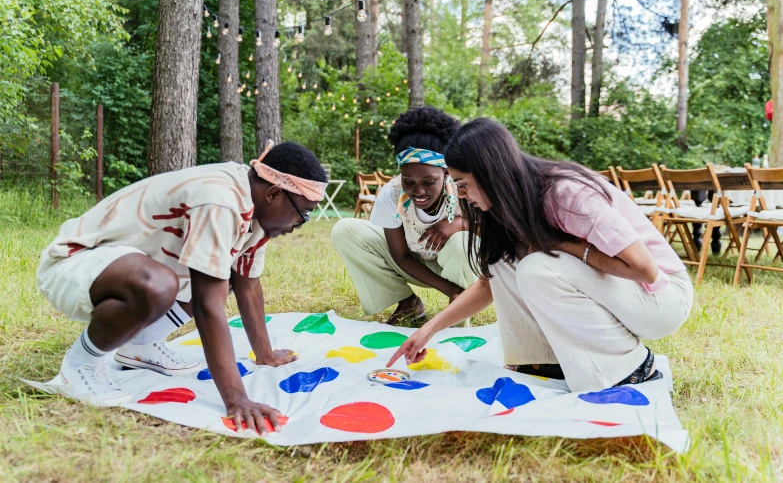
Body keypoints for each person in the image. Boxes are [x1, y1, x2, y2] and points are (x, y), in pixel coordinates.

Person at [37, 141, 327, 434]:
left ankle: (140, 345)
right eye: (302, 213)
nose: (299, 224)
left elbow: (246, 282)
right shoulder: (222, 200)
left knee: (219, 272)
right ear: (274, 193)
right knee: (164, 285)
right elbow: (206, 304)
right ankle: (80, 364)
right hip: (73, 265)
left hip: (123, 270)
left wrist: (265, 353)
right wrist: (237, 399)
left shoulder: (255, 212)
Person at [387, 118, 694, 392]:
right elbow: (487, 284)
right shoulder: (505, 206)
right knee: (501, 259)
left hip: (661, 299)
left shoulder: (565, 194)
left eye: (464, 185)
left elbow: (645, 270)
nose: (462, 195)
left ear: (489, 173)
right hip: (624, 293)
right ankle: (541, 362)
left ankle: (633, 369)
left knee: (537, 267)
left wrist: (564, 245)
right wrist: (428, 330)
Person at [331, 106, 477, 325]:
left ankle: (458, 313)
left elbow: (498, 230)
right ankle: (409, 304)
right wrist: (450, 289)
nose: (418, 191)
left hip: (456, 264)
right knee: (344, 230)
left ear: (445, 171)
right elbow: (401, 257)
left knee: (462, 240)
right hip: (413, 263)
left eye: (429, 182)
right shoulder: (392, 193)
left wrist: (460, 224)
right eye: (409, 181)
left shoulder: (463, 189)